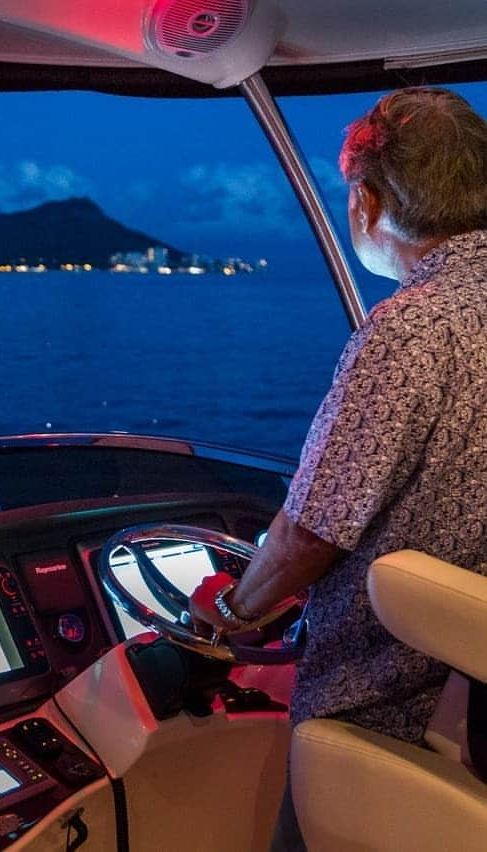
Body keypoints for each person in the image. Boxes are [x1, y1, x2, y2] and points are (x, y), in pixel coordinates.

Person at [190, 87, 487, 850]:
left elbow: (311, 533)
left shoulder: (410, 331)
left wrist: (233, 612)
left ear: (372, 200)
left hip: (396, 708)